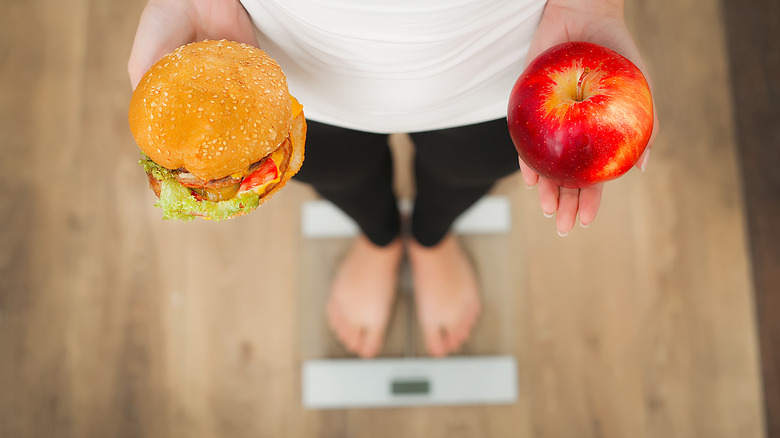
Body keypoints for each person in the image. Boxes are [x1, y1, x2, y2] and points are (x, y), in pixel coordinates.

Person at [128, 0, 658, 358]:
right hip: (282, 62)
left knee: (468, 168)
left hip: (512, 66)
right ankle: (378, 239)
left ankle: (431, 238)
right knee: (336, 170)